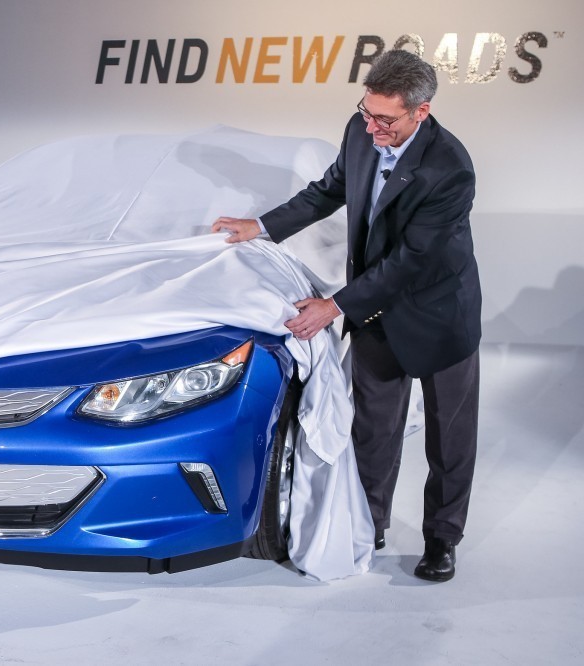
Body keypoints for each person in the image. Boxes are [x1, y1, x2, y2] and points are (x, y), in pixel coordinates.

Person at [212, 49, 480, 582]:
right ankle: (368, 523)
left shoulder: (450, 168)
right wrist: (260, 227)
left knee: (449, 440)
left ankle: (442, 539)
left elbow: (412, 260)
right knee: (373, 431)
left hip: (438, 316)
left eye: (386, 120)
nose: (373, 127)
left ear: (421, 112)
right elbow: (329, 190)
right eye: (367, 112)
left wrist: (334, 306)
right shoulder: (361, 130)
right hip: (376, 311)